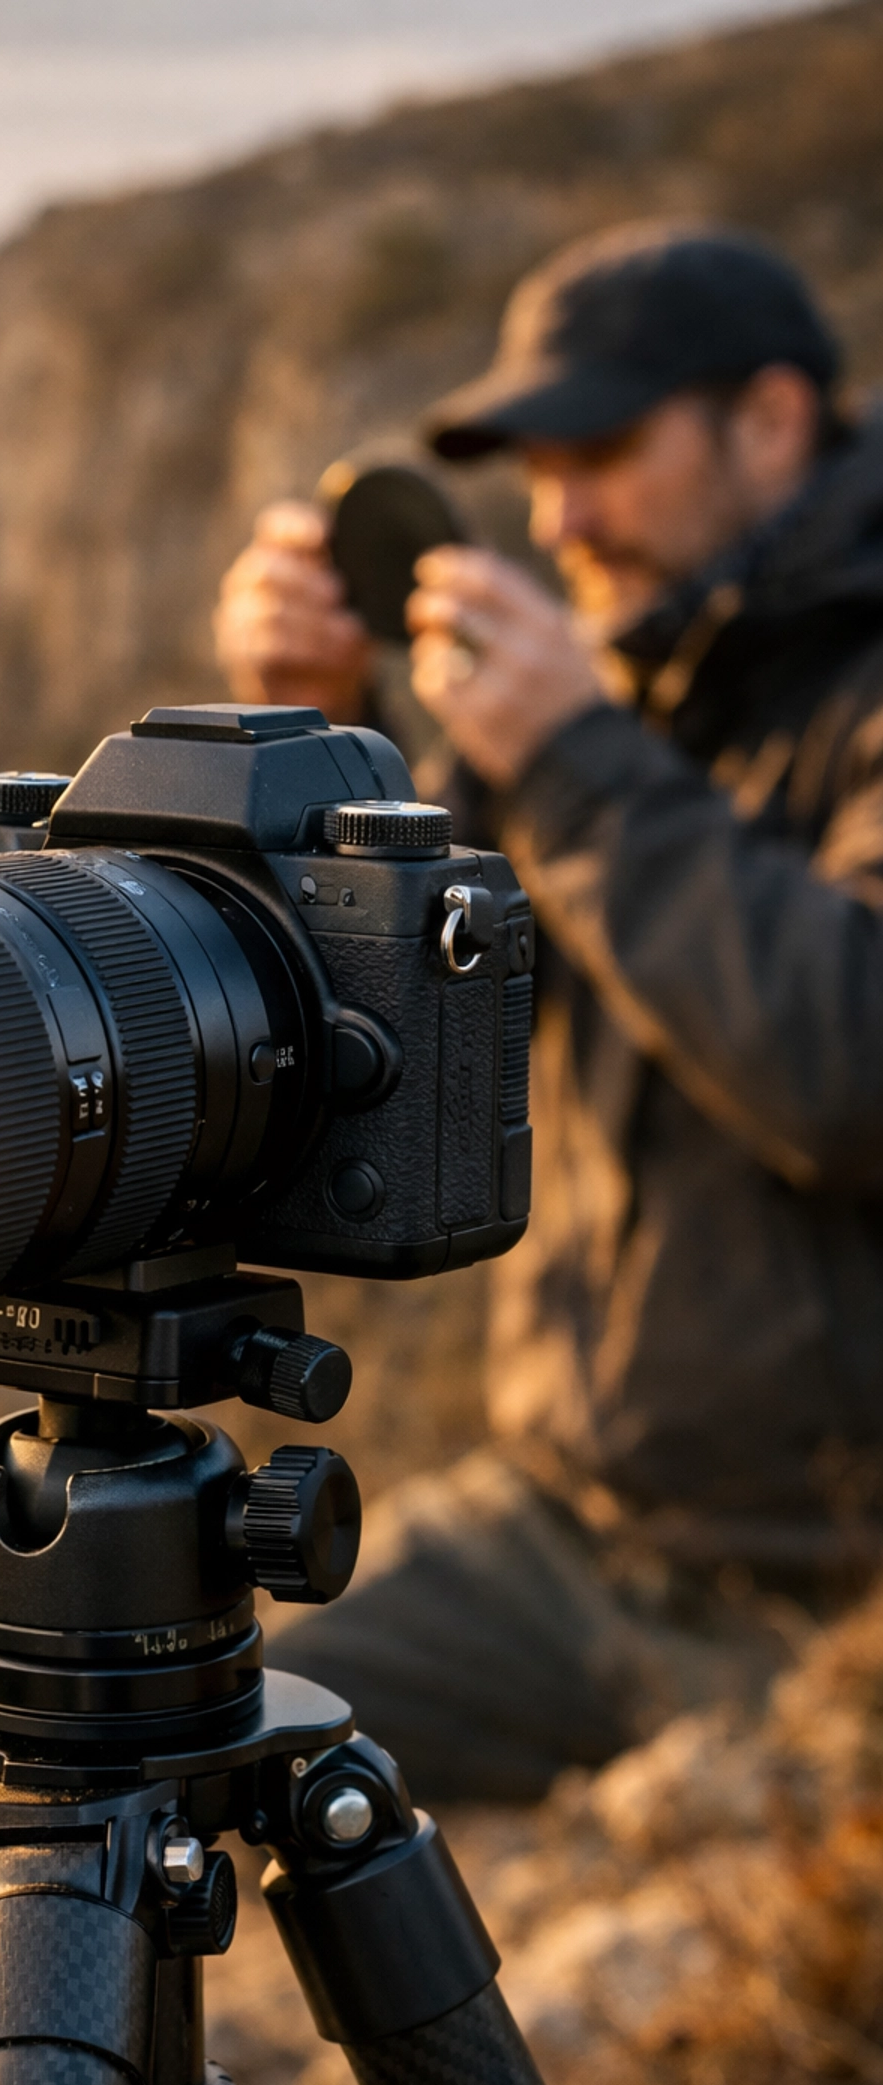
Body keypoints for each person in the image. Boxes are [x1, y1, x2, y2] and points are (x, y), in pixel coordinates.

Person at [214, 221, 883, 1801]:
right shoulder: (632, 685)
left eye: (604, 451)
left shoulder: (678, 718)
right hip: (570, 1528)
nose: (560, 517)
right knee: (167, 1729)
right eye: (537, 468)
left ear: (772, 420)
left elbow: (851, 1072)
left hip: (834, 1588)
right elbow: (401, 1049)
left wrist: (578, 762)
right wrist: (328, 738)